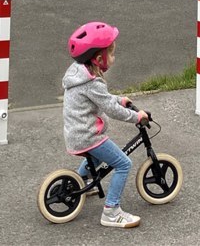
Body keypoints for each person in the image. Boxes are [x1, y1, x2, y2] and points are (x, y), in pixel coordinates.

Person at [61, 21, 149, 228]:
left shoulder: (80, 74)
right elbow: (110, 109)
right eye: (111, 53)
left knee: (96, 155)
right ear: (99, 58)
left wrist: (120, 99)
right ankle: (111, 211)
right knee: (123, 163)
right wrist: (136, 116)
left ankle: (82, 181)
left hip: (77, 134)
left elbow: (104, 99)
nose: (114, 57)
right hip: (88, 136)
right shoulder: (92, 83)